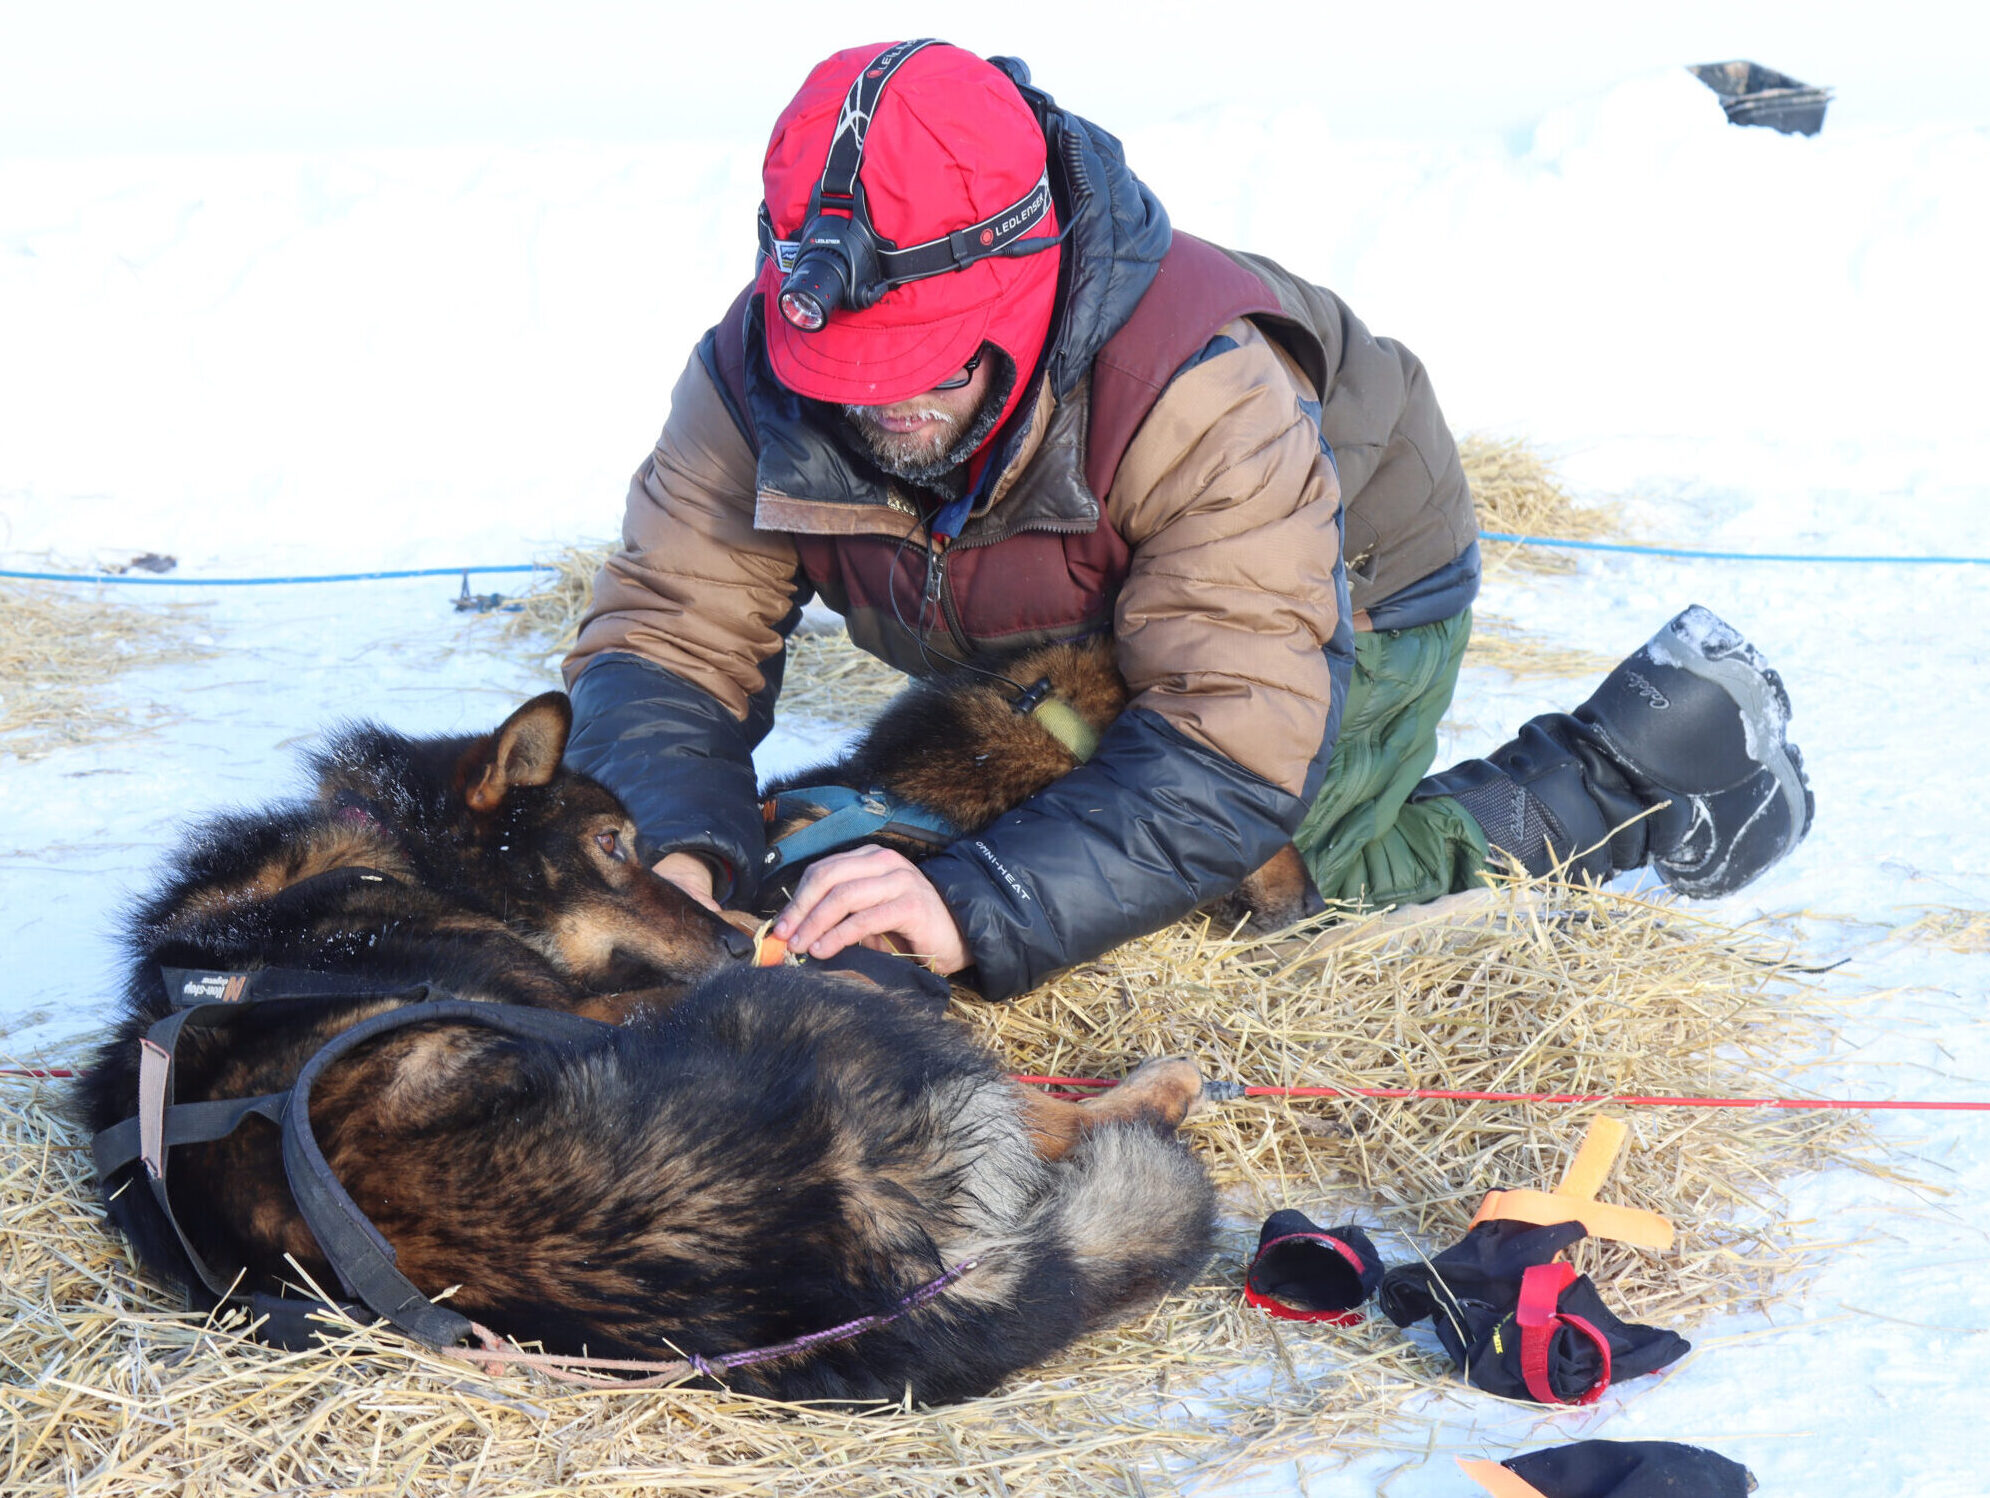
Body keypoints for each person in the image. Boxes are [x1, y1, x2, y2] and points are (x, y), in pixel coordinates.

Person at [561, 40, 1813, 1002]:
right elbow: (670, 640)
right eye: (852, 375)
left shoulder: (1201, 388)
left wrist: (976, 901)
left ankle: (1634, 771)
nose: (883, 408)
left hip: (1345, 575)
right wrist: (673, 860)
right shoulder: (755, 368)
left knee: (1269, 910)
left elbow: (1231, 751)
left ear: (1026, 281)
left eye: (929, 364)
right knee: (951, 847)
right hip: (1055, 622)